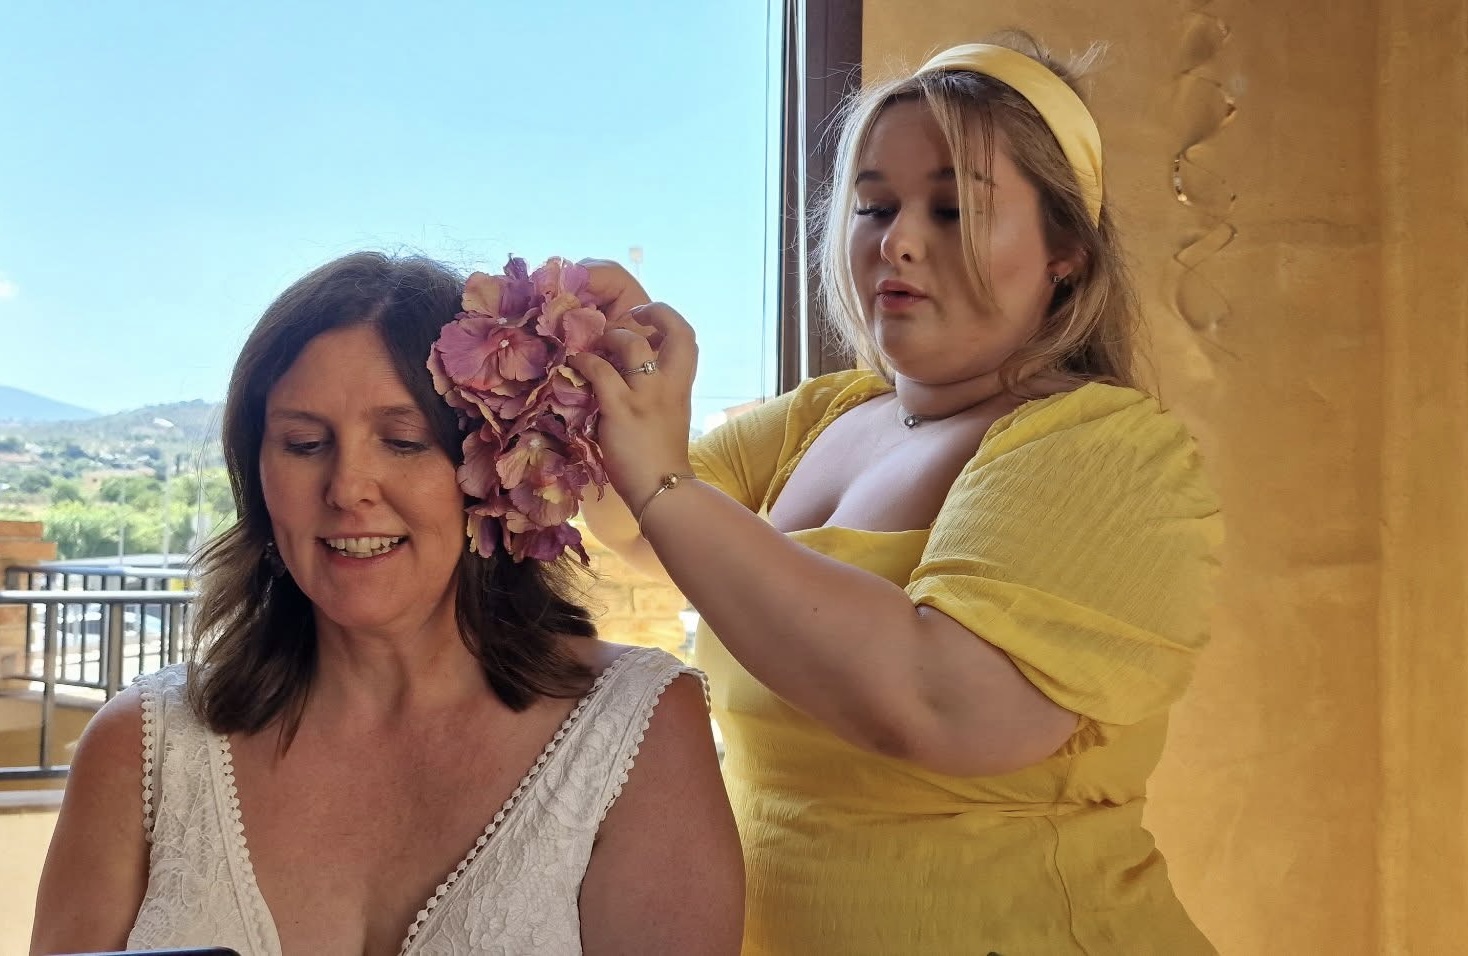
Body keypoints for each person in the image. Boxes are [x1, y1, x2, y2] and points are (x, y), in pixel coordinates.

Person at [569, 32, 1222, 956]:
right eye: (874, 206)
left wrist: (663, 481)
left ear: (1066, 252)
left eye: (953, 210)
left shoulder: (1106, 446)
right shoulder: (822, 417)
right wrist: (604, 360)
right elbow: (647, 533)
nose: (898, 240)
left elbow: (940, 702)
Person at [30, 252, 743, 956]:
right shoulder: (144, 748)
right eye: (304, 444)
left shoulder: (634, 729)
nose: (348, 488)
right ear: (258, 479)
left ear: (497, 468)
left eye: (403, 442)